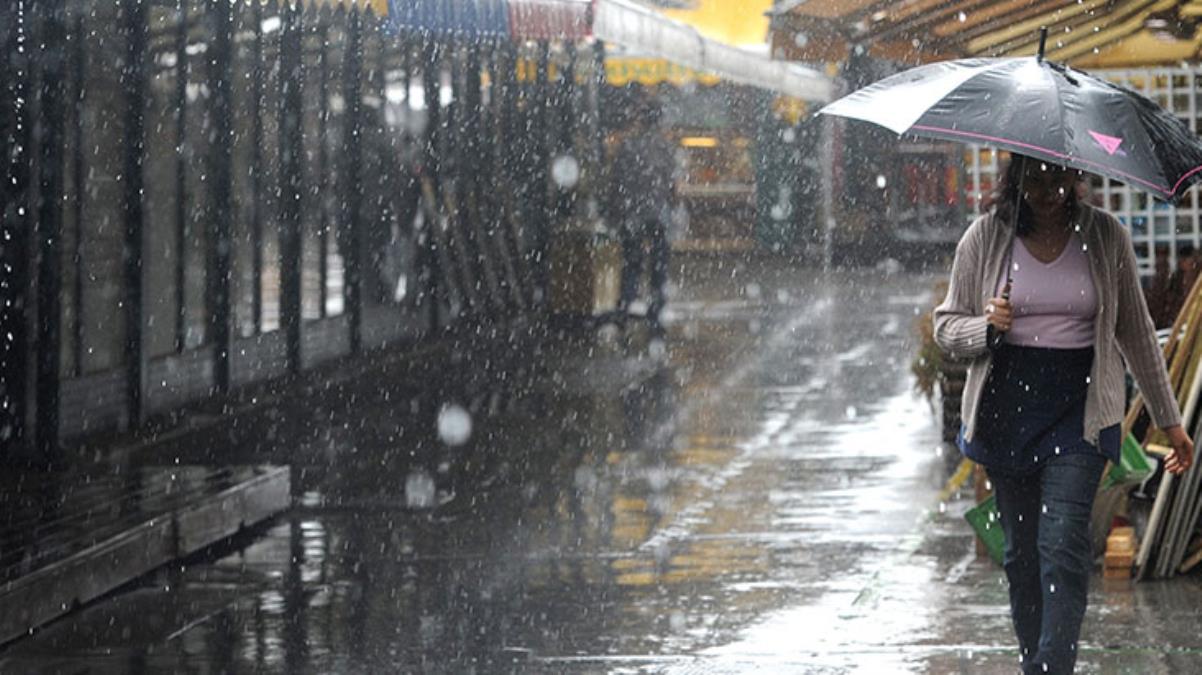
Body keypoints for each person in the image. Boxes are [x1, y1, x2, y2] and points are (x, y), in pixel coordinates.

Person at [934, 154, 1194, 675]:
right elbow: (946, 327)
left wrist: (1170, 422)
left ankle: (1052, 667)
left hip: (1081, 409)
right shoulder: (985, 238)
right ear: (1016, 178)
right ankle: (1038, 662)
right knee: (1022, 556)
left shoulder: (1105, 236)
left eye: (1058, 176)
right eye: (1035, 177)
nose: (1047, 189)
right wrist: (986, 326)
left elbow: (1137, 333)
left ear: (1077, 177)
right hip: (1006, 410)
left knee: (1063, 543)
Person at [612, 95, 676, 329]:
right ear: (659, 120)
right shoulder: (665, 148)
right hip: (658, 213)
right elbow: (672, 185)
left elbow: (617, 181)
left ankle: (625, 306)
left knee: (631, 263)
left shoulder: (627, 146)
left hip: (632, 213)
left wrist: (618, 209)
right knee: (658, 265)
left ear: (641, 119)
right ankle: (656, 310)